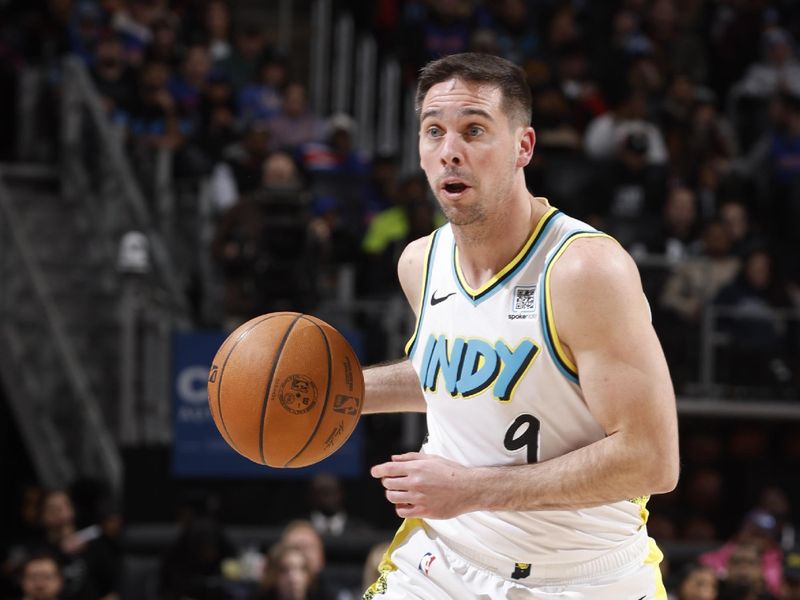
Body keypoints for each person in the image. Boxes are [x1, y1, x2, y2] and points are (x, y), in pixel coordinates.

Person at [361, 52, 679, 599]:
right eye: (433, 131)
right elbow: (461, 370)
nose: (449, 152)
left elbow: (652, 459)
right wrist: (336, 393)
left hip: (583, 575)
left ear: (523, 147)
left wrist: (471, 489)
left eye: (474, 130)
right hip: (444, 560)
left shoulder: (585, 270)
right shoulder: (420, 262)